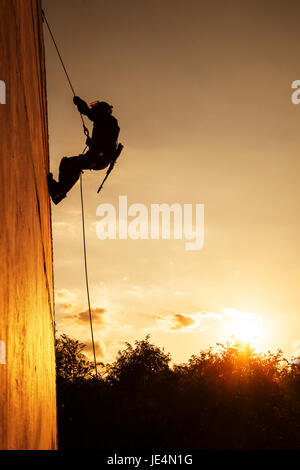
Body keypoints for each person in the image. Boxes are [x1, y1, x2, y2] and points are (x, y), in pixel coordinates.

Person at [48, 96, 120, 204]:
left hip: (99, 158)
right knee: (66, 162)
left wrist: (78, 102)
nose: (94, 111)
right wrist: (92, 143)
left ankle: (58, 191)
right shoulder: (108, 122)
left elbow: (87, 111)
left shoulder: (106, 120)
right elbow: (104, 141)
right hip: (99, 157)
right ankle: (58, 192)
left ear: (101, 111)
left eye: (97, 109)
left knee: (76, 165)